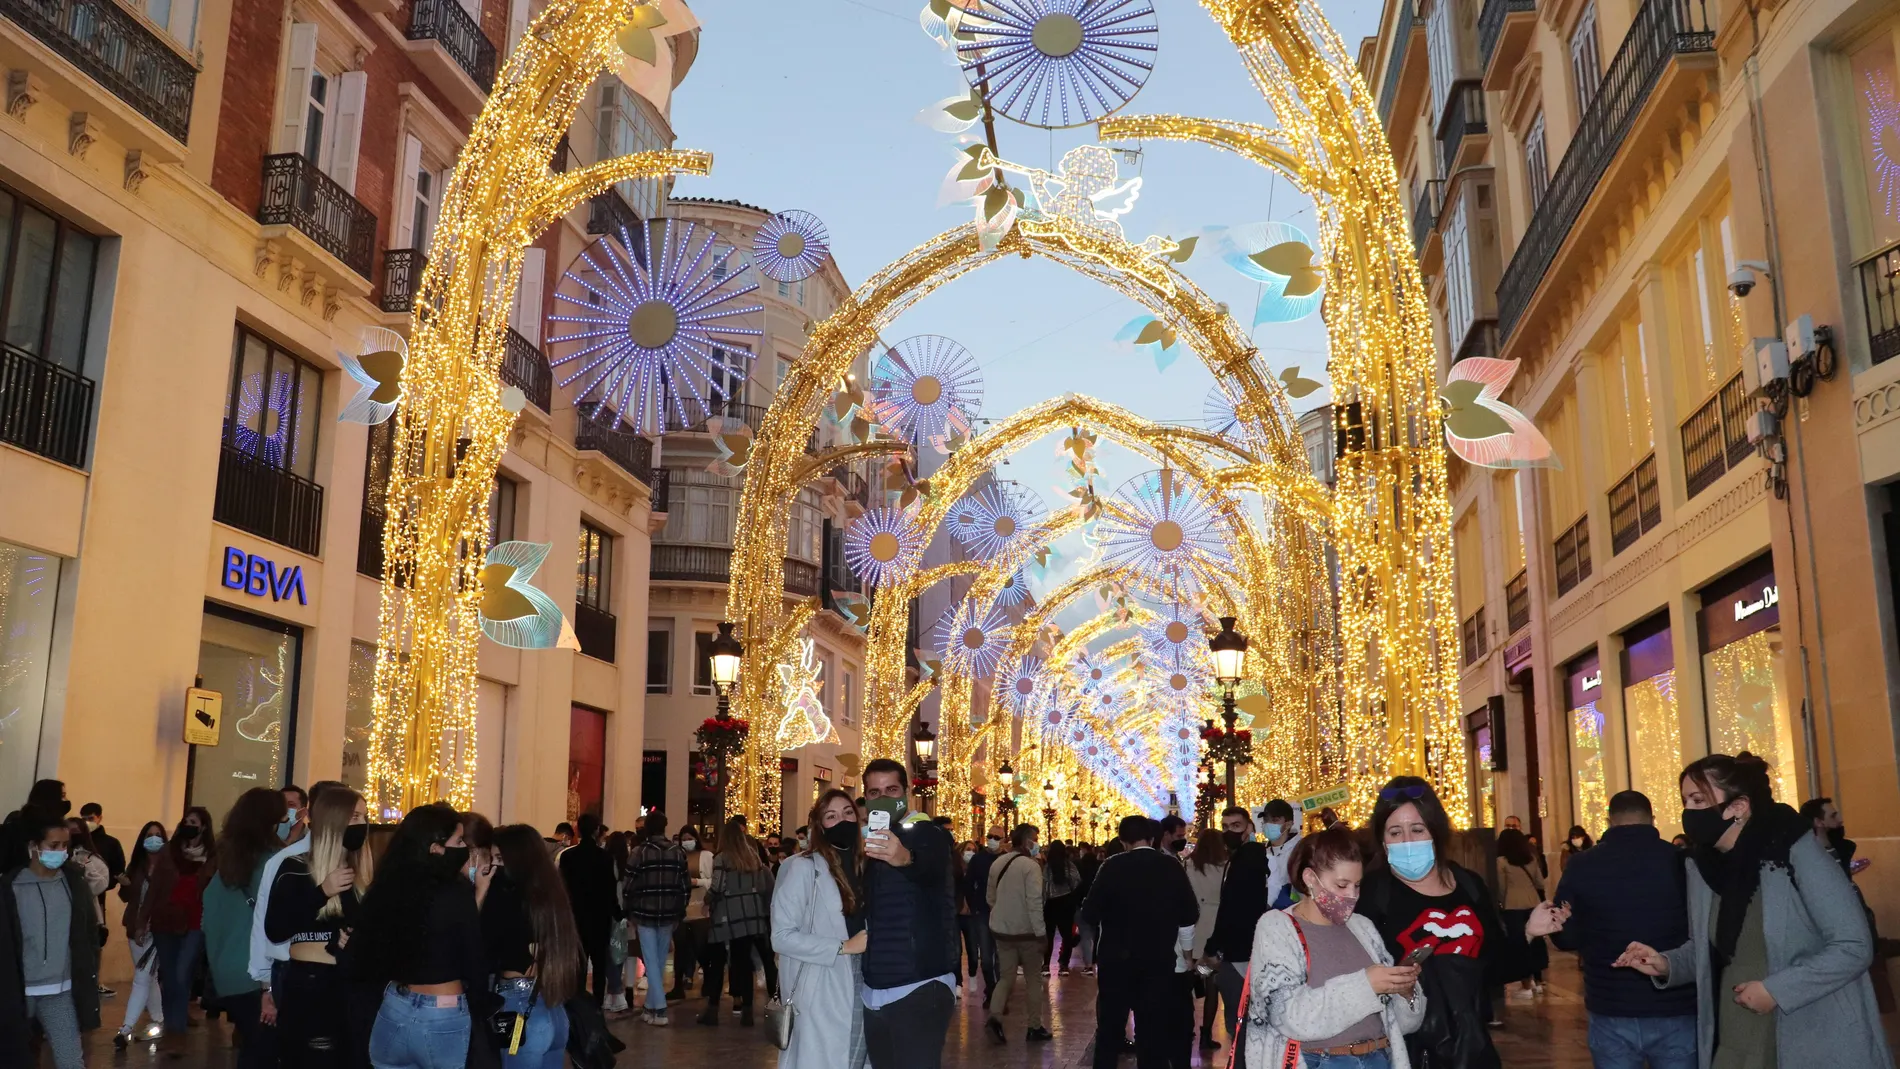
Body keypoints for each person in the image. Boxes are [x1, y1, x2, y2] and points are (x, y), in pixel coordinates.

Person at [1615, 753, 1894, 1069]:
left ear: (1738, 807)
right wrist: (1665, 964)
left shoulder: (1792, 851)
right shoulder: (1702, 869)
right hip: (1735, 1033)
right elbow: (1709, 950)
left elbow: (1854, 946)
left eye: (1697, 800)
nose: (1688, 813)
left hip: (1809, 1031)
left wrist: (1777, 990)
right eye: (1685, 801)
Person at [1355, 777, 1565, 1069]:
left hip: (1471, 1048)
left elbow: (1492, 969)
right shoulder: (1371, 894)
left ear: (1436, 832)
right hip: (1405, 1051)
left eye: (1417, 829)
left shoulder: (1469, 885)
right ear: (1382, 840)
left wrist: (1528, 932)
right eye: (1395, 832)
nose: (1407, 841)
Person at [1242, 825, 1426, 1069]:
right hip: (1319, 1061)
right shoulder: (1277, 927)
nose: (1352, 895)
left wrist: (1404, 992)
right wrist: (1366, 985)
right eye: (1342, 885)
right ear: (1310, 879)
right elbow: (1287, 1016)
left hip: (1380, 1057)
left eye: (1357, 885)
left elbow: (1401, 1023)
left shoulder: (1363, 927)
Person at [1545, 790, 1695, 1069]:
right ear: (1652, 819)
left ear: (1608, 820)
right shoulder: (1681, 860)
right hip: (1676, 1004)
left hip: (1609, 1002)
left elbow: (1565, 936)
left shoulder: (1582, 864)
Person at [353, 803, 490, 1068]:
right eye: (459, 841)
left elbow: (367, 954)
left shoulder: (387, 886)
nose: (464, 848)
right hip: (443, 1009)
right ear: (436, 848)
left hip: (394, 1005)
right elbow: (473, 957)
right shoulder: (454, 891)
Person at [857, 758, 959, 1069]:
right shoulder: (867, 842)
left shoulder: (926, 833)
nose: (883, 797)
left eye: (891, 789)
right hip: (875, 989)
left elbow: (929, 864)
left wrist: (905, 858)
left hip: (919, 985)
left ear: (908, 791)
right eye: (875, 792)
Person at [1081, 815, 1200, 1069]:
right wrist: (1187, 955)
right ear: (1152, 838)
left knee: (1110, 1029)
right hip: (1157, 962)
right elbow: (1189, 915)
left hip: (1116, 962)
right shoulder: (1170, 866)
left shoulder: (1111, 866)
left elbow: (1089, 913)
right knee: (1152, 1030)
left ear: (1123, 841)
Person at [266, 786, 373, 1068]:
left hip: (350, 986)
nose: (362, 824)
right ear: (334, 820)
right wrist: (322, 892)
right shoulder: (296, 868)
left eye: (364, 816)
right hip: (311, 986)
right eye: (354, 817)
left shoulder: (360, 874)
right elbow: (275, 930)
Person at [772, 789, 870, 1069]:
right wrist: (842, 947)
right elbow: (780, 937)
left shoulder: (867, 865)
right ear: (820, 826)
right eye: (831, 816)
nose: (842, 820)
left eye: (848, 813)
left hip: (868, 979)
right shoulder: (803, 869)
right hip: (823, 983)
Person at [5, 812, 102, 1069]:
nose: (61, 852)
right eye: (53, 845)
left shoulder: (72, 884)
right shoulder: (11, 887)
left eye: (64, 846)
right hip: (19, 992)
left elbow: (86, 934)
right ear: (33, 847)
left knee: (71, 1060)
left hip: (59, 991)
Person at [485, 824, 586, 1069]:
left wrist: (480, 894)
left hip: (517, 1008)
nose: (493, 867)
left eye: (499, 859)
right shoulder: (551, 897)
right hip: (551, 1006)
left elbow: (482, 947)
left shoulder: (505, 896)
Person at [202, 788, 286, 1069]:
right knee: (265, 1051)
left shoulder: (225, 862)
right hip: (259, 976)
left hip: (227, 973)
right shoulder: (272, 863)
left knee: (253, 1048)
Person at [248, 779, 343, 1019]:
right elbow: (264, 921)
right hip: (290, 967)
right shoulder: (287, 860)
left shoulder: (352, 858)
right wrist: (265, 983)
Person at [142, 805, 215, 1049]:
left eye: (193, 821)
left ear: (203, 826)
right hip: (165, 921)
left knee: (183, 974)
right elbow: (154, 889)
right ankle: (172, 1029)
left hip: (195, 923)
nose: (188, 824)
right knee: (170, 977)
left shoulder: (212, 857)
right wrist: (143, 920)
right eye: (186, 820)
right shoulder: (168, 852)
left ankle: (177, 1031)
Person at [1205, 804, 1268, 1059]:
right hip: (1233, 951)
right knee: (1237, 1016)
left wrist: (1212, 947)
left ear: (1248, 828)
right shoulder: (1238, 857)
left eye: (1236, 826)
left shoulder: (1249, 856)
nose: (1229, 831)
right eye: (1225, 826)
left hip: (1240, 952)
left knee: (1239, 1019)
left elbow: (1232, 908)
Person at [701, 813, 775, 1026]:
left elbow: (717, 886)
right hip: (751, 915)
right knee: (744, 963)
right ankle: (748, 1011)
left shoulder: (722, 858)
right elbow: (761, 885)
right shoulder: (753, 856)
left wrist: (707, 901)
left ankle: (712, 1009)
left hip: (727, 916)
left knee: (717, 961)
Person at [984, 822, 1051, 1045]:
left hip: (1002, 932)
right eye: (1035, 838)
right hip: (1027, 933)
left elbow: (990, 898)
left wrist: (1003, 914)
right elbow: (1034, 902)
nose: (1038, 844)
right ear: (1027, 841)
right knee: (1033, 979)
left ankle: (994, 1018)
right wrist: (1041, 933)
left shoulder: (998, 862)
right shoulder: (1031, 867)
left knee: (1006, 977)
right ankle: (1034, 1026)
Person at [623, 811, 690, 1026]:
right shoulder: (677, 852)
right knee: (658, 960)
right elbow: (685, 886)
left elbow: (628, 885)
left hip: (644, 912)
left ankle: (659, 1008)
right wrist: (681, 910)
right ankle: (651, 1007)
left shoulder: (639, 852)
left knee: (652, 960)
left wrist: (629, 909)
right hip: (670, 912)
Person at [115, 820, 169, 1047]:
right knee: (149, 978)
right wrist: (125, 885)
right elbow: (126, 897)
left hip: (156, 931)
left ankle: (125, 1028)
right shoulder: (136, 866)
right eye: (149, 834)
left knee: (141, 978)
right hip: (134, 930)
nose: (154, 838)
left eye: (158, 834)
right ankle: (158, 1021)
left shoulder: (169, 868)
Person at [558, 812, 620, 1004]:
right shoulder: (605, 858)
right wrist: (617, 913)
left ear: (578, 830)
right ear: (596, 831)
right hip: (600, 917)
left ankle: (578, 1003)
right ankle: (597, 1004)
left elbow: (562, 888)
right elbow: (610, 889)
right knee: (600, 963)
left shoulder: (568, 857)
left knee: (579, 963)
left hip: (576, 916)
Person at [1185, 826, 1228, 1052]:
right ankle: (1206, 1034)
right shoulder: (1225, 867)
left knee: (1189, 980)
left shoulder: (1189, 865)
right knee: (1212, 985)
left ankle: (1187, 1027)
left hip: (1194, 929)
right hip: (1216, 929)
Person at [1495, 827, 1549, 998]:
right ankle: (1538, 982)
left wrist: (1500, 904)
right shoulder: (1531, 859)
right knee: (1536, 943)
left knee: (1519, 945)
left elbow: (1501, 887)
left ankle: (1526, 984)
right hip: (1533, 904)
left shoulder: (1501, 862)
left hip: (1513, 906)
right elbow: (1540, 883)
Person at [79, 800, 124, 998]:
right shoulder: (77, 841)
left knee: (97, 937)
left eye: (91, 818)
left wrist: (105, 884)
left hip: (98, 896)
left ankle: (94, 979)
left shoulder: (110, 843)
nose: (87, 822)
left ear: (99, 818)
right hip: (78, 897)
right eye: (84, 819)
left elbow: (117, 871)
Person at [962, 824, 1004, 1001]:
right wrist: (974, 906)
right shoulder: (978, 859)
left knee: (1001, 958)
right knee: (986, 958)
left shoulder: (1007, 859)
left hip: (1003, 913)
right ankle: (991, 989)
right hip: (982, 913)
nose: (992, 840)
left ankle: (998, 996)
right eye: (990, 836)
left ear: (1004, 840)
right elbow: (969, 884)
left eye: (997, 837)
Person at [672, 825, 713, 1002]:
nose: (687, 841)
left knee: (701, 946)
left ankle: (709, 981)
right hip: (681, 906)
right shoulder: (676, 856)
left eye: (690, 838)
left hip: (700, 905)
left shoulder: (706, 856)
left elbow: (714, 880)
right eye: (684, 838)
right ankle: (678, 985)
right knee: (680, 947)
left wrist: (698, 881)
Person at [1042, 839, 1083, 977]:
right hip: (1066, 903)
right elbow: (1077, 880)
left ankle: (1046, 964)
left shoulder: (1047, 867)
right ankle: (1064, 965)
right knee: (1066, 935)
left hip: (1050, 904)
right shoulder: (1069, 865)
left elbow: (1043, 885)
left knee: (1049, 935)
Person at [1799, 797, 1859, 878]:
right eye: (1833, 816)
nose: (1840, 820)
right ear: (1818, 822)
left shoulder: (1842, 848)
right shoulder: (1810, 857)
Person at [1262, 798, 1303, 910]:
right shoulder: (1262, 852)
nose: (1268, 824)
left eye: (1274, 820)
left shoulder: (1301, 849)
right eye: (1266, 820)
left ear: (1288, 824)